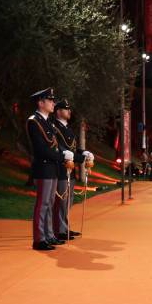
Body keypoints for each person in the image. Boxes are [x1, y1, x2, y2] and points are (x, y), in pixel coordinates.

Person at [26, 88, 74, 250]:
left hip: (52, 168)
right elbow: (41, 149)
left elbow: (54, 145)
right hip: (43, 167)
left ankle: (49, 235)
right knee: (43, 203)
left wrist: (64, 153)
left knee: (50, 202)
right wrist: (62, 156)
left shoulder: (46, 122)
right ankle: (39, 239)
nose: (53, 103)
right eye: (50, 100)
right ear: (41, 103)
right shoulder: (34, 121)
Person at [51, 99, 93, 240]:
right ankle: (59, 230)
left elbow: (72, 148)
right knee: (61, 201)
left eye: (69, 109)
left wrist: (84, 152)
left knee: (68, 200)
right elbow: (62, 149)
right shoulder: (54, 127)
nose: (69, 111)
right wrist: (80, 158)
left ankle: (64, 227)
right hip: (61, 168)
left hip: (70, 169)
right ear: (58, 111)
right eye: (65, 109)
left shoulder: (67, 128)